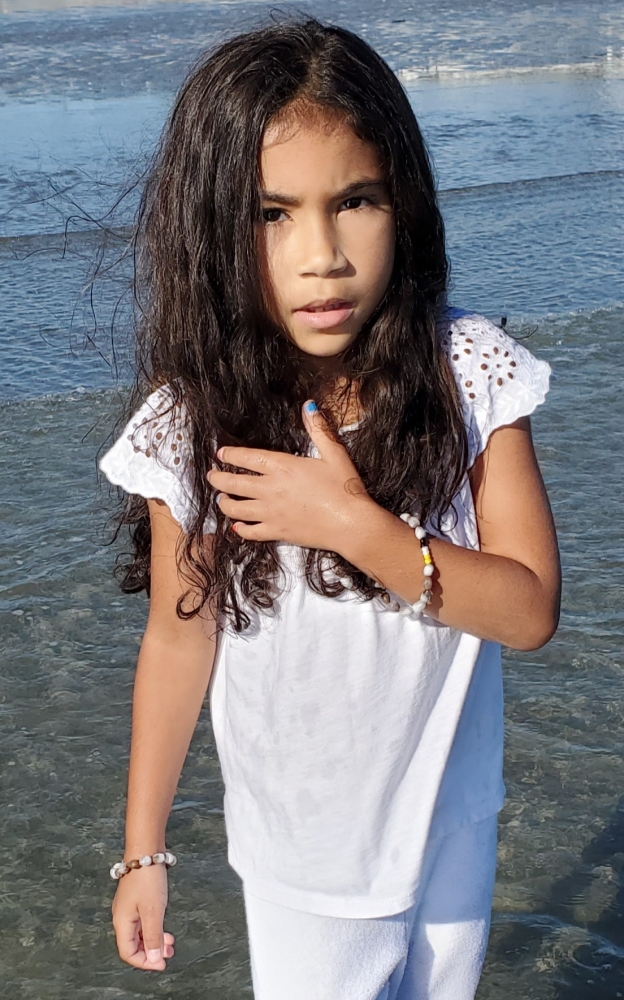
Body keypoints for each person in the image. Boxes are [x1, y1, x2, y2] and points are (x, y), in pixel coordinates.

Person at [98, 18, 561, 1000]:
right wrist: (144, 851)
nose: (323, 256)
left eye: (355, 201)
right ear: (211, 227)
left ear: (405, 202)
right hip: (305, 852)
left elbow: (528, 613)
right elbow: (179, 639)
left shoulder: (469, 375)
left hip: (452, 813)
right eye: (272, 213)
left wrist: (355, 527)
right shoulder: (194, 423)